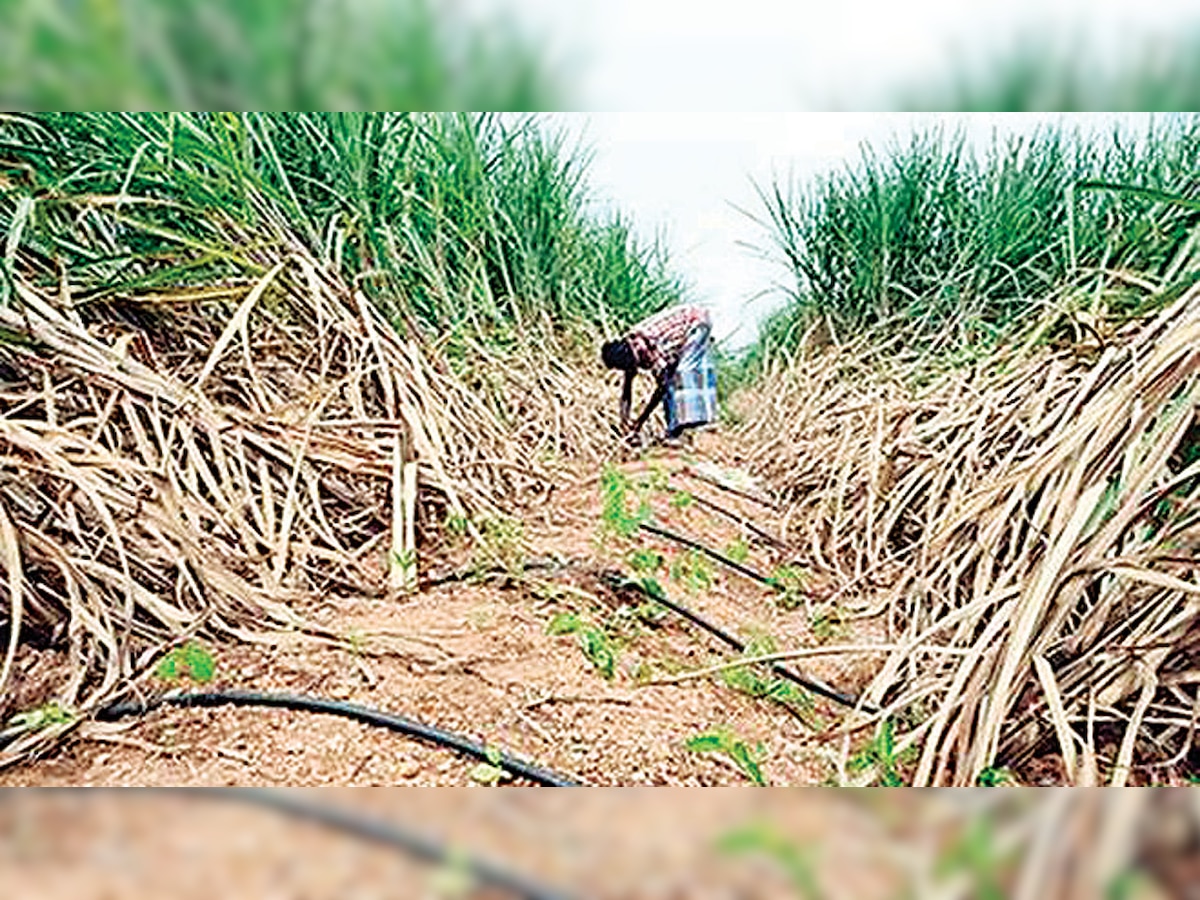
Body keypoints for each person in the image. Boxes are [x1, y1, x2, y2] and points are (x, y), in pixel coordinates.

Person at [601, 304, 718, 444]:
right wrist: (624, 422)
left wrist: (639, 422)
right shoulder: (629, 349)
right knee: (671, 379)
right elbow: (626, 392)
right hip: (682, 331)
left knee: (683, 373)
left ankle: (684, 429)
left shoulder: (647, 347)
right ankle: (675, 430)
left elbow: (661, 388)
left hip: (697, 321)